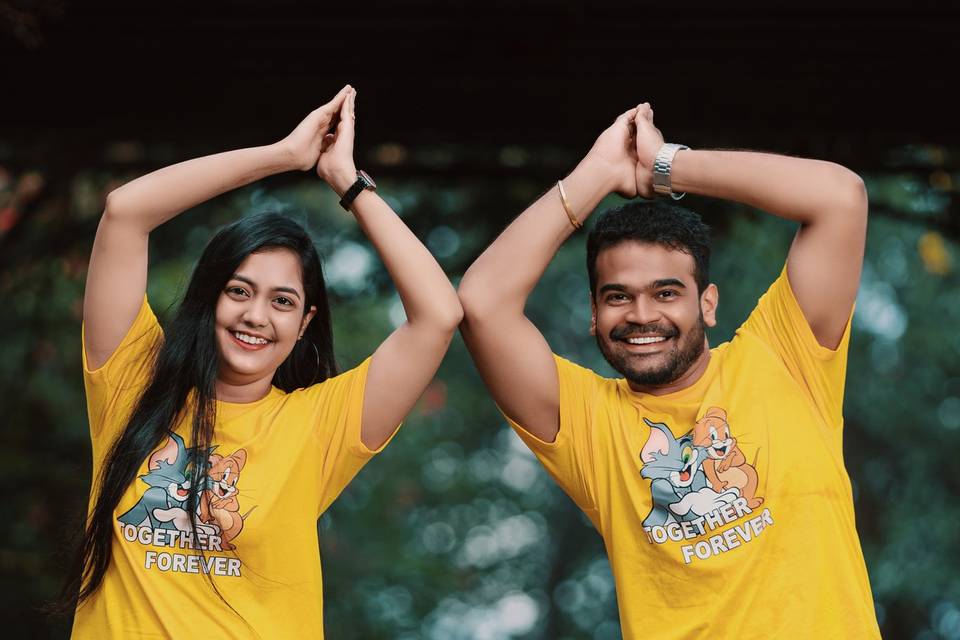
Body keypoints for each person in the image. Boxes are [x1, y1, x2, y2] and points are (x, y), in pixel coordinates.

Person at [458, 103, 880, 638]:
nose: (641, 315)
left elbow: (841, 198)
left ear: (707, 305)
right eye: (618, 296)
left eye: (665, 293)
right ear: (594, 314)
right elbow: (481, 302)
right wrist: (599, 174)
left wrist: (663, 163)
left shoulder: (784, 357)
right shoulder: (592, 426)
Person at [66, 85, 463, 638]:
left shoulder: (318, 426)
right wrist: (285, 156)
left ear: (304, 325)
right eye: (239, 290)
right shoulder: (133, 382)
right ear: (211, 297)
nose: (256, 315)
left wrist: (347, 183)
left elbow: (439, 314)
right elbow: (125, 211)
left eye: (282, 301)